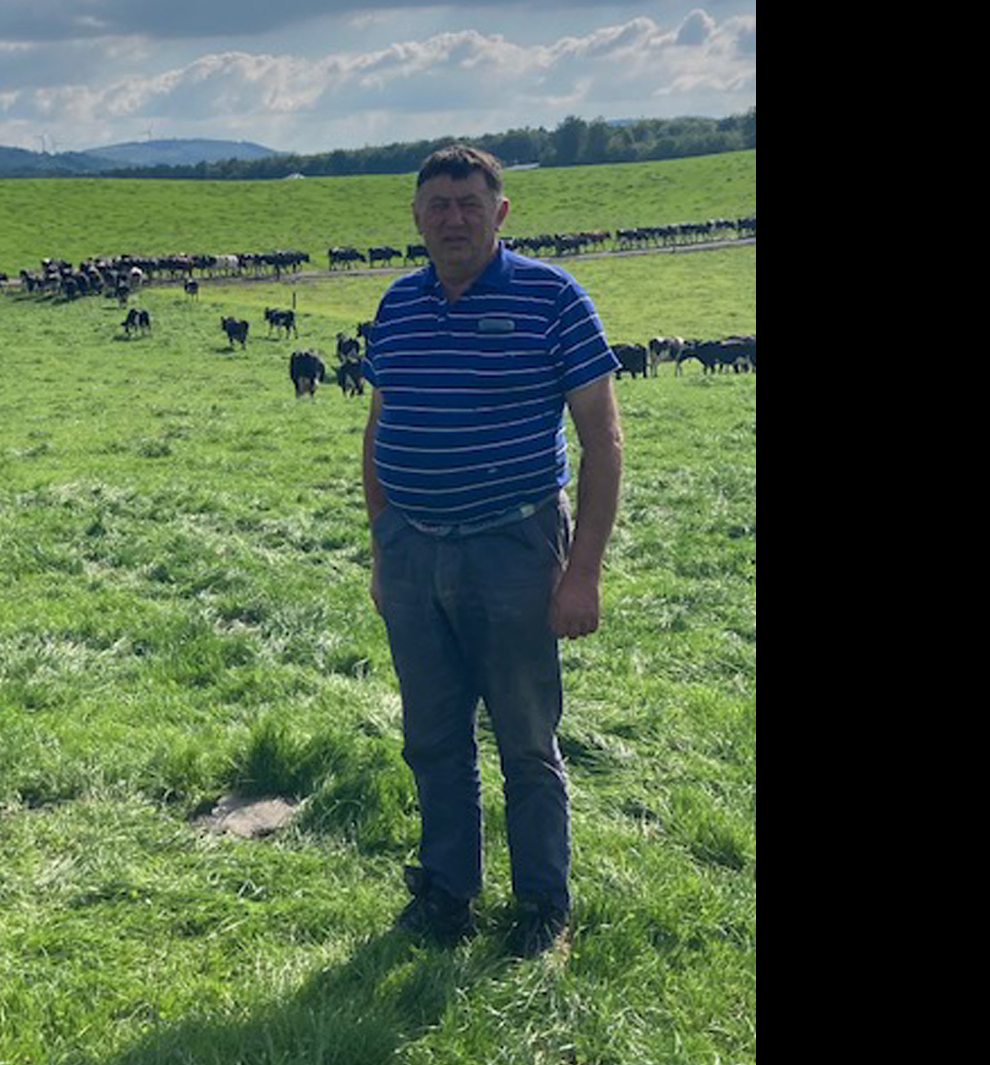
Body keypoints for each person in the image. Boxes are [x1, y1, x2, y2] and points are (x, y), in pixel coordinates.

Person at [360, 145, 624, 956]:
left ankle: (542, 905)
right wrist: (382, 548)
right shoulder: (398, 303)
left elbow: (603, 440)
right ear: (415, 216)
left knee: (525, 737)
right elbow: (378, 427)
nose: (453, 219)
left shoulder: (553, 297)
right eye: (437, 205)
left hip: (513, 546)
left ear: (500, 212)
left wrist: (582, 571)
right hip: (413, 547)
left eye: (469, 204)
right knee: (432, 735)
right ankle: (447, 892)